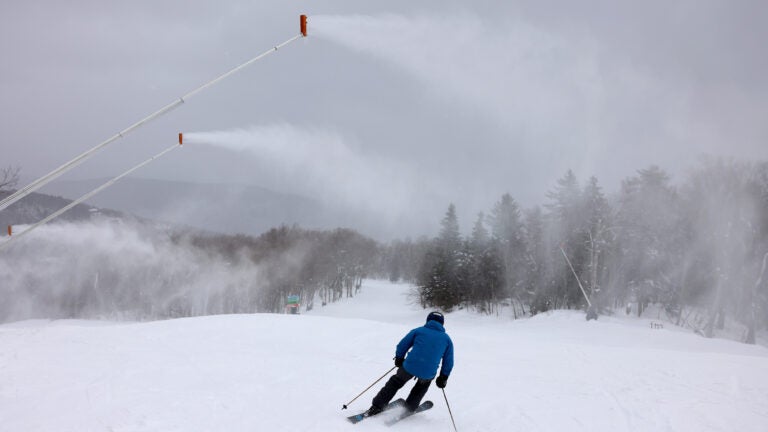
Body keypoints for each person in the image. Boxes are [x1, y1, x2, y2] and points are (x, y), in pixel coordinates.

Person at [366, 311, 454, 415]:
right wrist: (443, 377)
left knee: (395, 383)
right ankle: (409, 408)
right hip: (428, 371)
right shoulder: (447, 339)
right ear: (442, 323)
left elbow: (402, 345)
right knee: (420, 388)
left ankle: (377, 406)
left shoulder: (418, 331)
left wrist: (399, 358)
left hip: (410, 366)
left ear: (428, 320)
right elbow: (449, 361)